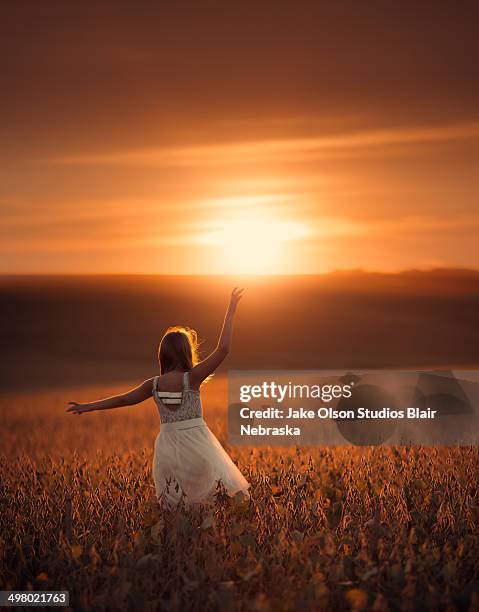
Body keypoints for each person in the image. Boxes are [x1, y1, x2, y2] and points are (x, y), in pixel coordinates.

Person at [66, 288, 250, 507]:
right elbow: (223, 349)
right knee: (211, 497)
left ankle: (180, 538)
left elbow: (124, 399)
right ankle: (207, 536)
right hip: (198, 445)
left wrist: (87, 406)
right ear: (187, 352)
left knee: (176, 504)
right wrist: (230, 312)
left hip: (167, 449)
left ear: (162, 354)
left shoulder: (153, 384)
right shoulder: (192, 378)